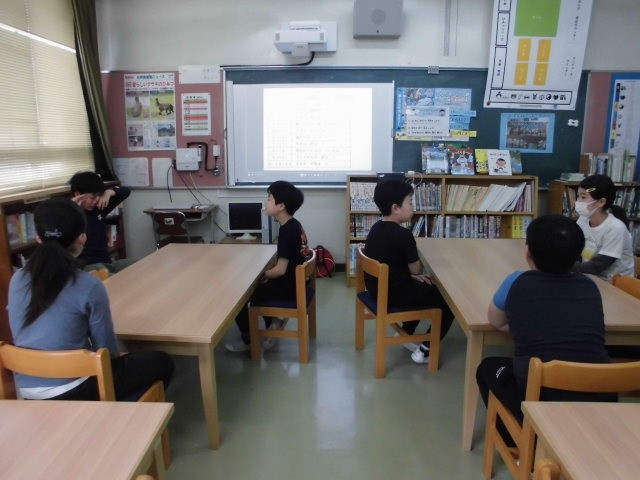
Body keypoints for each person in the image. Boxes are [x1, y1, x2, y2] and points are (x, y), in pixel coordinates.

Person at [7, 198, 173, 400]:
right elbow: (108, 352)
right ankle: (118, 413)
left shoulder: (17, 279)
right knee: (162, 361)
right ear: (82, 238)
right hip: (74, 388)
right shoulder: (87, 284)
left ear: (38, 238)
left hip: (26, 388)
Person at [476, 214, 613, 445]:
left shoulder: (516, 281)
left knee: (488, 368)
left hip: (539, 392)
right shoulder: (589, 286)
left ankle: (520, 442)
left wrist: (527, 326)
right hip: (597, 392)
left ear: (527, 251)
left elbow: (496, 322)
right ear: (577, 254)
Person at [364, 179, 454, 364]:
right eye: (410, 202)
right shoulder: (403, 235)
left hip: (377, 290)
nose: (413, 206)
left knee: (422, 285)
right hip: (396, 295)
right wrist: (414, 273)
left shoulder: (375, 229)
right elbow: (416, 268)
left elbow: (393, 262)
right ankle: (425, 350)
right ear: (396, 208)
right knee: (448, 301)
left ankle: (406, 332)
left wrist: (411, 275)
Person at [226, 180, 309, 352]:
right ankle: (273, 323)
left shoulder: (286, 232)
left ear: (281, 206)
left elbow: (280, 270)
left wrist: (262, 275)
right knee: (257, 286)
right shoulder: (294, 224)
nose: (266, 202)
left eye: (269, 198)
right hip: (296, 283)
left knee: (239, 296)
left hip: (288, 288)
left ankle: (248, 340)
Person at [571, 174, 634, 280]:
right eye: (578, 196)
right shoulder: (583, 219)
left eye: (583, 197)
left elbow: (598, 266)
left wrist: (564, 265)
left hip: (614, 284)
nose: (578, 202)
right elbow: (574, 247)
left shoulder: (616, 228)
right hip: (591, 277)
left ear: (601, 202)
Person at [69, 171, 134, 274]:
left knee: (141, 265)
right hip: (88, 267)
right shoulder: (69, 215)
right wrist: (70, 208)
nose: (96, 200)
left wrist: (108, 192)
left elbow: (126, 191)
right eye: (92, 197)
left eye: (98, 196)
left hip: (107, 263)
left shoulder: (99, 207)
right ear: (78, 195)